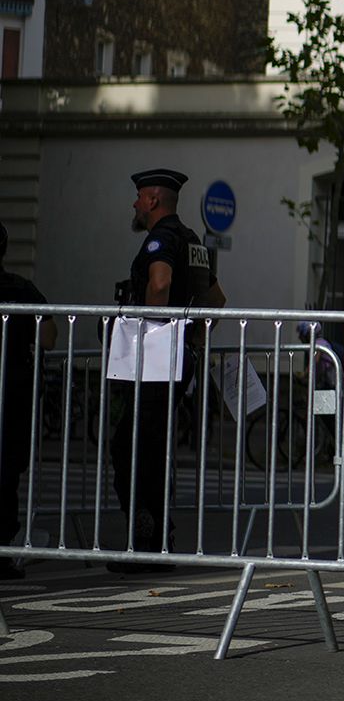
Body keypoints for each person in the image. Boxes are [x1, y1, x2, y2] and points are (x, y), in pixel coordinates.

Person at [109, 169, 227, 574]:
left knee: (133, 448)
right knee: (151, 447)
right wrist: (193, 336)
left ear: (154, 200)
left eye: (140, 198)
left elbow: (158, 284)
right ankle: (157, 536)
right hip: (179, 358)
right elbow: (217, 298)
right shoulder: (193, 241)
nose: (135, 205)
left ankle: (146, 542)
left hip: (156, 358)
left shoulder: (161, 240)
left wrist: (148, 330)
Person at [1, 224, 55, 579]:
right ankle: (2, 551)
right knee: (6, 475)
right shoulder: (20, 287)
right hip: (11, 395)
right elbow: (49, 336)